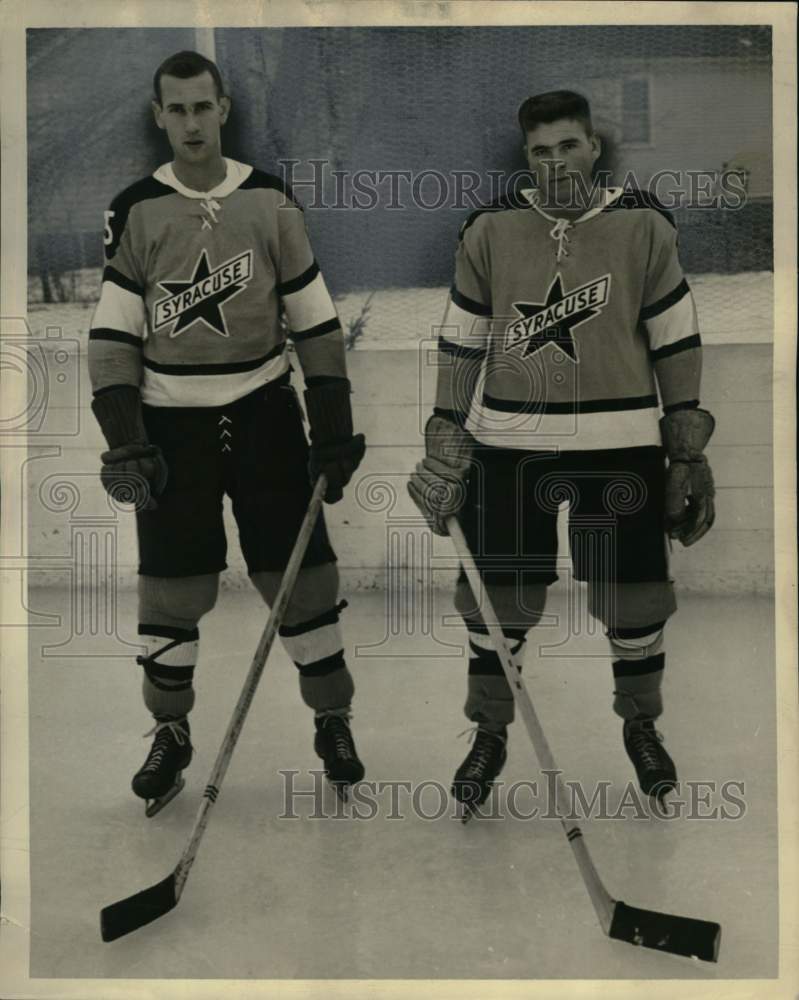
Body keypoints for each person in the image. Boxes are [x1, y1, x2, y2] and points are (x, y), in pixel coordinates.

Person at [409, 90, 715, 815]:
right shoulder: (488, 229)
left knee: (632, 597)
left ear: (593, 147)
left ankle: (641, 725)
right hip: (508, 448)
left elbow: (675, 338)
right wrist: (446, 434)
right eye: (541, 151)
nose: (556, 163)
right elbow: (462, 341)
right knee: (497, 601)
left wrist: (684, 449)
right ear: (527, 156)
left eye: (568, 146)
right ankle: (489, 733)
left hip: (620, 447)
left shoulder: (642, 224)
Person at [88, 50, 366, 815]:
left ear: (223, 109)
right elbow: (112, 336)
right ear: (159, 117)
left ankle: (333, 720)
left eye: (201, 107)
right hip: (169, 425)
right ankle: (170, 733)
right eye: (176, 109)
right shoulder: (136, 207)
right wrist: (125, 436)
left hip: (262, 413)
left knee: (301, 578)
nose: (191, 122)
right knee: (172, 589)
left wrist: (331, 425)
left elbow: (314, 318)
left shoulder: (269, 199)